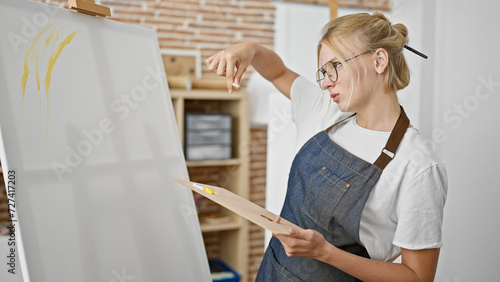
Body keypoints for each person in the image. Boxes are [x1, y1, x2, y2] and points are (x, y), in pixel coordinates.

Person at [206, 12, 447, 282]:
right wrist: (247, 49)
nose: (326, 82)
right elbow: (278, 72)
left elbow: (417, 277)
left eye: (335, 66)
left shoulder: (418, 165)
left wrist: (325, 253)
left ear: (379, 60)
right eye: (323, 71)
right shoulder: (325, 112)